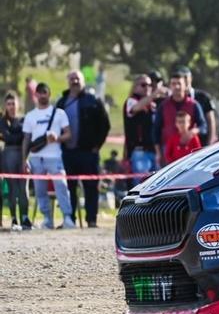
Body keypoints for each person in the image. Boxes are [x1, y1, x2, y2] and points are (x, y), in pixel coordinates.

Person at [57, 70, 110, 228]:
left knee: (91, 187)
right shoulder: (62, 102)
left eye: (77, 79)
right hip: (68, 153)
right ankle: (70, 220)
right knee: (69, 188)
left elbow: (105, 125)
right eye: (72, 78)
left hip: (88, 153)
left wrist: (97, 146)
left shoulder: (93, 100)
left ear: (83, 81)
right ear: (68, 81)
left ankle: (91, 220)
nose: (75, 81)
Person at [22, 83, 73, 229]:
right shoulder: (30, 116)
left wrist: (57, 138)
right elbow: (26, 139)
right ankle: (47, 219)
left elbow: (68, 134)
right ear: (35, 95)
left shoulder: (59, 113)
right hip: (36, 158)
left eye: (44, 92)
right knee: (39, 190)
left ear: (49, 94)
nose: (42, 95)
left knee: (61, 186)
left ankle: (67, 217)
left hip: (54, 157)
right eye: (39, 93)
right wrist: (24, 159)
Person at [152, 72, 206, 165]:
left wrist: (193, 132)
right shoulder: (163, 106)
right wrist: (158, 152)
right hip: (168, 150)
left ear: (185, 85)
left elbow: (203, 126)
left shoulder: (194, 105)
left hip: (190, 150)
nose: (176, 86)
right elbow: (156, 130)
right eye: (173, 84)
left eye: (179, 83)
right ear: (170, 86)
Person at [1, 93, 32, 229]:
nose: (11, 106)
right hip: (8, 155)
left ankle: (25, 217)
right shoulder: (2, 121)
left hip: (23, 155)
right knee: (12, 187)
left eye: (13, 103)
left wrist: (20, 137)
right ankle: (14, 219)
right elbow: (9, 138)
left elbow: (28, 137)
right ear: (5, 106)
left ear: (18, 104)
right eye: (8, 104)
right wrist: (21, 136)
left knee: (23, 188)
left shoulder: (24, 119)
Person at [123, 74, 157, 183]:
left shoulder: (152, 104)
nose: (147, 88)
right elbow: (135, 108)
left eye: (150, 85)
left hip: (154, 150)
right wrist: (155, 94)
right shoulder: (131, 101)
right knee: (142, 184)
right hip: (140, 151)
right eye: (143, 85)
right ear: (135, 87)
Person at [177, 66, 217, 146]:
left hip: (202, 142)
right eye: (181, 78)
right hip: (182, 145)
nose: (184, 80)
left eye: (185, 77)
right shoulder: (176, 99)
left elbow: (211, 121)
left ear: (191, 78)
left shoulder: (203, 97)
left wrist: (210, 142)